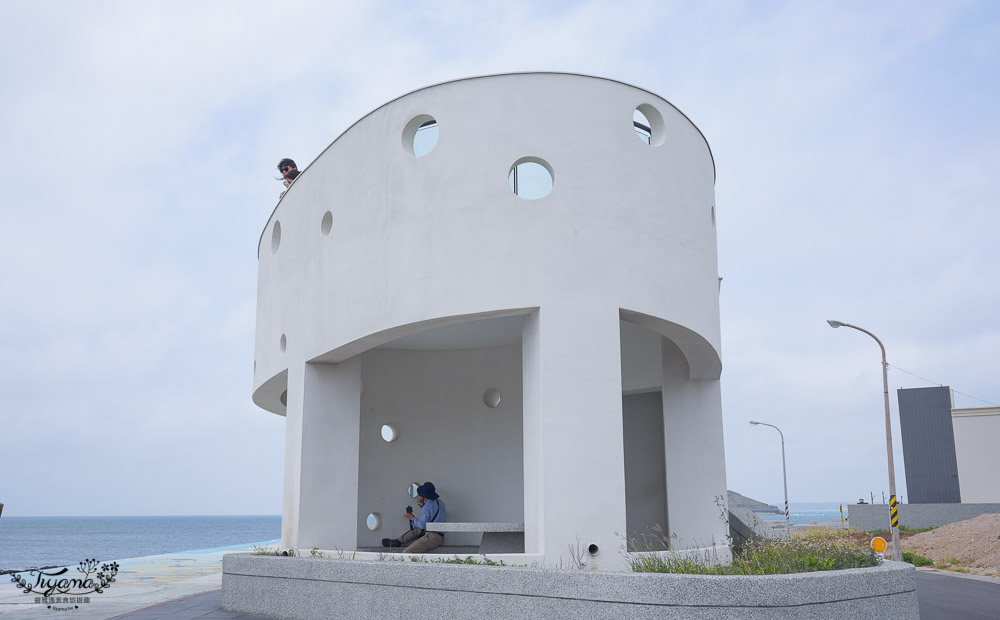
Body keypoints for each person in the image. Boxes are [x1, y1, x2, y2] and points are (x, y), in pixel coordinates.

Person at [381, 482, 447, 553]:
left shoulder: (427, 507)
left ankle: (399, 541)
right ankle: (398, 541)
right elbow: (433, 515)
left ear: (424, 496)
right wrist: (423, 506)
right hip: (440, 537)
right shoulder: (440, 502)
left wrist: (412, 518)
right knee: (417, 529)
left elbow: (422, 525)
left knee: (406, 552)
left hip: (431, 538)